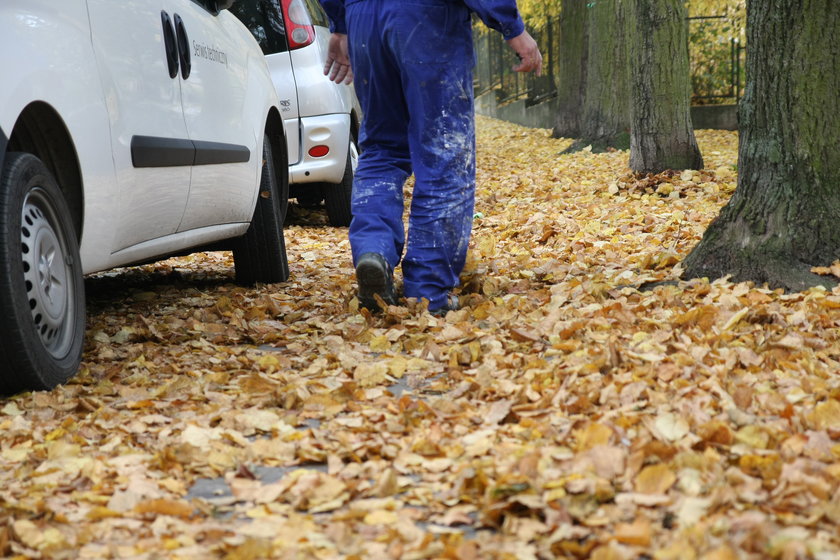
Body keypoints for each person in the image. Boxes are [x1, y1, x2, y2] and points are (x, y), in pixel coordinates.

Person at [319, 0, 542, 314]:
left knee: (381, 149)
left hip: (363, 19)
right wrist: (512, 27)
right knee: (444, 156)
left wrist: (341, 23)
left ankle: (374, 250)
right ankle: (427, 293)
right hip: (427, 19)